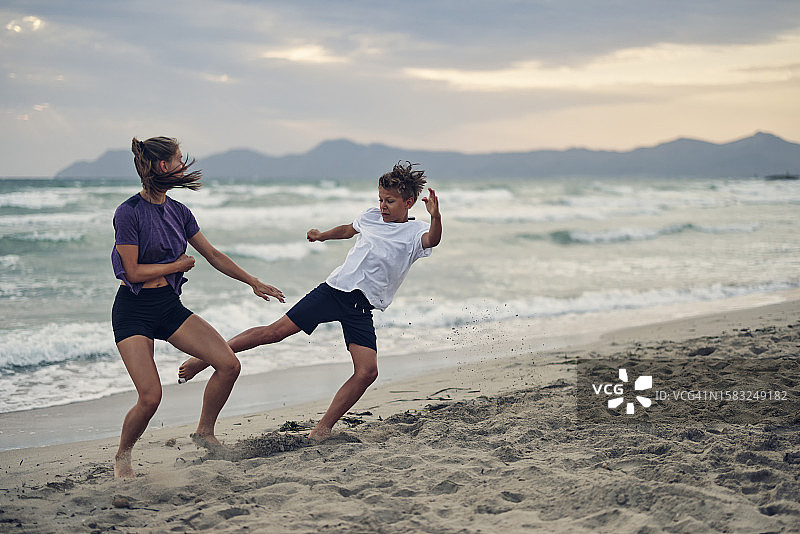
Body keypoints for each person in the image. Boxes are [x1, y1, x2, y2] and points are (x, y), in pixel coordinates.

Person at [179, 161, 442, 442]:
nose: (382, 205)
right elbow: (348, 229)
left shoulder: (415, 233)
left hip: (361, 307)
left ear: (409, 202)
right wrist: (322, 235)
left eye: (389, 201)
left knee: (367, 372)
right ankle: (204, 359)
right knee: (273, 332)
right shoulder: (370, 217)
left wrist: (436, 217)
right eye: (380, 199)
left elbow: (433, 240)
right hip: (333, 291)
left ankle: (322, 428)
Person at [111, 136, 285, 478]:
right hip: (132, 310)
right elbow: (132, 271)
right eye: (178, 160)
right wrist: (176, 266)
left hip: (167, 306)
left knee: (228, 364)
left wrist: (252, 281)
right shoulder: (128, 213)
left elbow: (213, 254)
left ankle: (205, 432)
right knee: (150, 397)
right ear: (164, 166)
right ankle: (122, 456)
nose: (183, 165)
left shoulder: (178, 211)